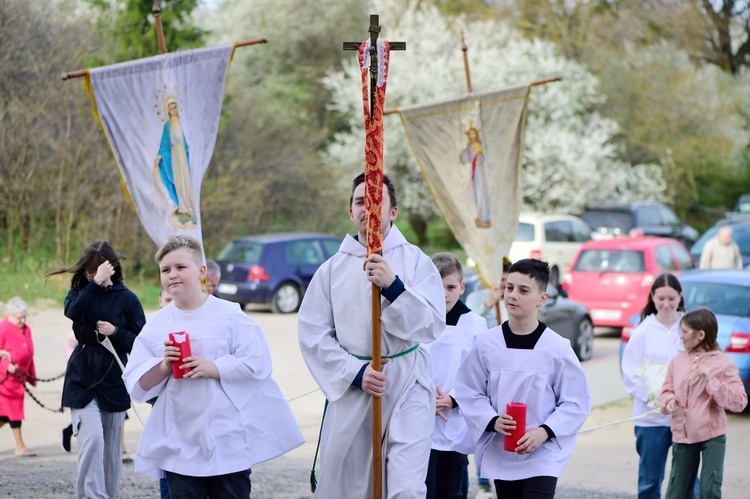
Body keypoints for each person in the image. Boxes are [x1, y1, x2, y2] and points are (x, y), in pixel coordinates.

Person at [297, 173, 446, 497]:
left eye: (377, 200)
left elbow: (432, 325)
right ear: (351, 212)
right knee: (352, 487)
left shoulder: (416, 262)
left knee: (405, 488)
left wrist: (394, 287)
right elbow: (313, 335)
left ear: (393, 211)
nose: (369, 207)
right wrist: (355, 372)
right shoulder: (332, 270)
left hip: (408, 384)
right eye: (361, 201)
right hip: (357, 389)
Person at [122, 235, 303, 498]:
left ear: (201, 272)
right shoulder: (156, 324)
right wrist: (163, 366)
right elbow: (137, 384)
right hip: (179, 441)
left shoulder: (230, 315)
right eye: (165, 270)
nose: (172, 274)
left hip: (227, 438)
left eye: (180, 267)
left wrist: (214, 368)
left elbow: (258, 362)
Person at [455, 258, 591, 498]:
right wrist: (492, 420)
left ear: (542, 299)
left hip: (543, 452)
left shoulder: (557, 349)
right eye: (509, 287)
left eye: (523, 290)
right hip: (502, 449)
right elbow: (468, 390)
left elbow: (575, 402)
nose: (512, 295)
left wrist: (545, 431)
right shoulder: (486, 344)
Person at [46, 240, 146, 498]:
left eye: (96, 270)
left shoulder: (128, 299)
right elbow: (73, 313)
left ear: (112, 267)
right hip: (81, 379)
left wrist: (116, 332)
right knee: (92, 441)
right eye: (88, 272)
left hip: (113, 380)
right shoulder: (79, 292)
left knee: (111, 453)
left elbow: (141, 342)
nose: (91, 275)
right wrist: (93, 284)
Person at [661, 307, 748, 498]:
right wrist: (669, 401)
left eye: (684, 332)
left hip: (712, 437)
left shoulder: (724, 363)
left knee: (710, 491)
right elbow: (667, 389)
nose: (681, 337)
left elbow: (740, 402)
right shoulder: (677, 360)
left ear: (701, 334)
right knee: (676, 493)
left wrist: (711, 382)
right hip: (683, 436)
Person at [424, 253, 487, 499]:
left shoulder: (475, 325)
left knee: (452, 491)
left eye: (450, 287)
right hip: (421, 420)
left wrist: (452, 399)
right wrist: (425, 397)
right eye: (437, 287)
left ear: (462, 287)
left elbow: (480, 376)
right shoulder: (417, 321)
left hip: (455, 423)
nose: (444, 294)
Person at [621, 273, 685, 499]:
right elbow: (629, 372)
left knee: (688, 480)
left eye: (671, 298)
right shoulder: (643, 332)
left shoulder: (688, 327)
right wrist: (656, 399)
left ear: (680, 297)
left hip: (685, 419)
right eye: (661, 298)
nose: (666, 304)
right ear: (652, 298)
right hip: (651, 420)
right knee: (650, 481)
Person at [0, 297, 37, 457]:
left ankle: (20, 446)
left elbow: (28, 353)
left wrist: (31, 377)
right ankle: (20, 446)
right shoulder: (3, 328)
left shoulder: (27, 329)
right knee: (13, 413)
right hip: (5, 380)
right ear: (9, 315)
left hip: (19, 379)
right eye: (19, 317)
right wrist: (6, 366)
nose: (22, 320)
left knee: (4, 415)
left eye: (24, 316)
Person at [154, 98, 196, 224]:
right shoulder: (167, 125)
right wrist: (160, 156)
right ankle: (182, 206)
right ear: (168, 111)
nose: (173, 110)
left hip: (182, 153)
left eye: (174, 107)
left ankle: (188, 204)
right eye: (170, 109)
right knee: (177, 179)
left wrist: (187, 149)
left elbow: (187, 137)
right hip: (174, 154)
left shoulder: (183, 122)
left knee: (185, 178)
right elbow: (164, 142)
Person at [465, 256, 511, 329]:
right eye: (502, 279)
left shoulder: (514, 299)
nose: (506, 284)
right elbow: (470, 325)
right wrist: (487, 304)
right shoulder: (474, 298)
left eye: (509, 279)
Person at [460, 124, 491, 228]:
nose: (472, 136)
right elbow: (465, 158)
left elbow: (484, 158)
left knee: (483, 193)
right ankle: (480, 215)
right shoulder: (469, 147)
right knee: (477, 194)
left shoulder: (480, 145)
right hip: (475, 172)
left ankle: (485, 217)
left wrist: (479, 155)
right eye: (470, 134)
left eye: (473, 133)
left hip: (481, 171)